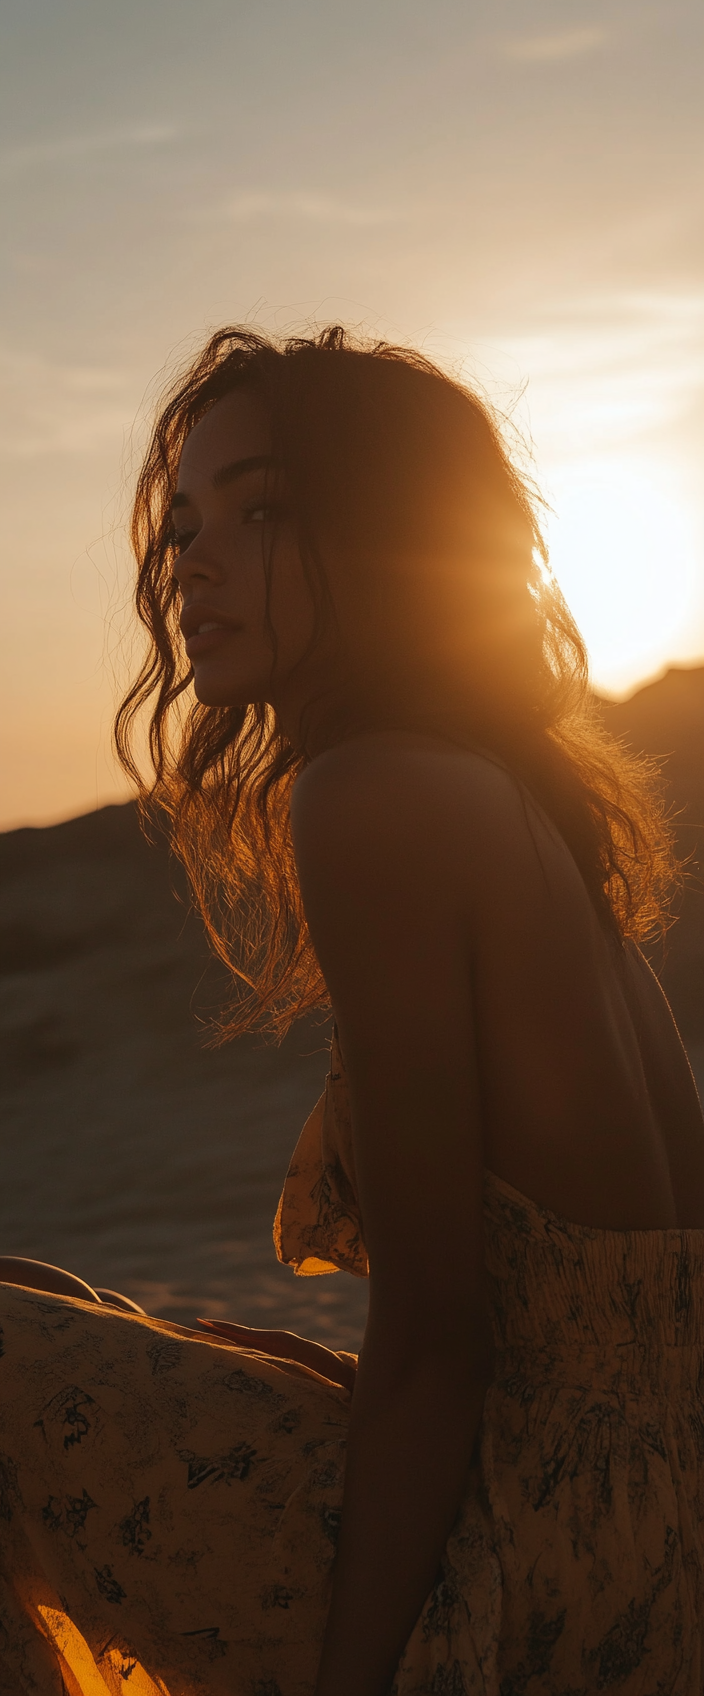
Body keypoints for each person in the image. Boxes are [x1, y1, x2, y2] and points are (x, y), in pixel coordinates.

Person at [1, 326, 703, 1696]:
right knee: (37, 1296)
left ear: (396, 539)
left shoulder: (370, 793)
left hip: (535, 1565)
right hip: (656, 1536)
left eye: (263, 509)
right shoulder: (507, 794)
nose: (191, 562)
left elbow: (439, 1343)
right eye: (185, 521)